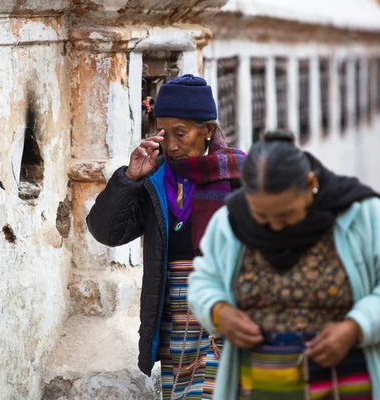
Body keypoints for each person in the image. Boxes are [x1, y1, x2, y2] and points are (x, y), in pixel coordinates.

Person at [188, 131, 380, 400]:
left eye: (285, 214)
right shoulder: (230, 223)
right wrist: (219, 311)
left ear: (311, 183)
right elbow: (203, 281)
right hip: (258, 386)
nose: (276, 226)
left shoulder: (362, 215)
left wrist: (356, 327)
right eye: (263, 218)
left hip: (346, 383)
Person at [86, 74, 245, 399]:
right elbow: (106, 232)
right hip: (175, 315)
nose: (171, 145)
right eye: (164, 133)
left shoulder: (239, 177)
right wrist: (130, 178)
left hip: (227, 307)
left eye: (181, 134)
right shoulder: (155, 180)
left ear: (208, 131)